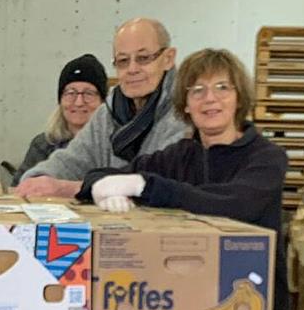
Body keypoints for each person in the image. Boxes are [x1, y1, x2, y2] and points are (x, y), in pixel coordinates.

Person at [80, 48, 290, 310]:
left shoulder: (267, 158)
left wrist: (144, 185)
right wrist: (99, 185)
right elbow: (109, 173)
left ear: (239, 98)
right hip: (185, 308)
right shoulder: (181, 155)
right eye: (198, 91)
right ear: (186, 105)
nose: (210, 99)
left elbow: (232, 205)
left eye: (222, 88)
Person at [14, 18, 185, 199]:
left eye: (143, 58)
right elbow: (73, 160)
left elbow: (154, 183)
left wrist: (71, 188)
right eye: (123, 61)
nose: (132, 69)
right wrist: (38, 180)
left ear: (168, 58)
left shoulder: (185, 111)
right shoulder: (109, 113)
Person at [11, 54, 107, 185]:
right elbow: (18, 188)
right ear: (60, 100)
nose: (79, 102)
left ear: (102, 102)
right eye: (70, 93)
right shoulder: (44, 144)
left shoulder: (114, 145)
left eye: (88, 93)